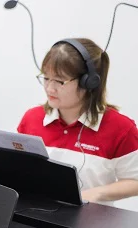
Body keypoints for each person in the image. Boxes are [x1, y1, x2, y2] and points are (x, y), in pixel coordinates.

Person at [17, 38, 138, 206]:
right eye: (46, 78)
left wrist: (95, 194)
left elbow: (135, 181)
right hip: (35, 215)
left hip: (90, 220)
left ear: (88, 82)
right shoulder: (32, 118)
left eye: (60, 81)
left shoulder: (121, 128)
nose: (50, 88)